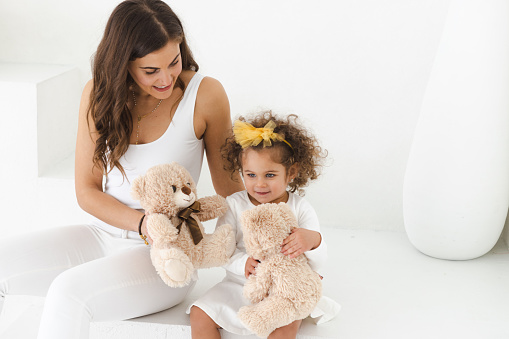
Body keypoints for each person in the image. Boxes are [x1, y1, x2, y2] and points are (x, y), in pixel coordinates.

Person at [0, 0, 243, 338]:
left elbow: (231, 190)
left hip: (166, 254)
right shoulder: (98, 94)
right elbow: (87, 191)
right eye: (150, 70)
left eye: (173, 62)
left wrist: (263, 250)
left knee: (67, 293)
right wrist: (143, 222)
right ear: (123, 64)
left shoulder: (205, 94)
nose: (166, 77)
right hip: (104, 234)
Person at [189, 111, 338, 339]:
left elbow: (318, 260)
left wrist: (313, 241)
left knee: (287, 322)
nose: (259, 184)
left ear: (291, 173)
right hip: (240, 284)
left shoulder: (300, 208)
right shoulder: (234, 205)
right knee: (200, 313)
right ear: (241, 172)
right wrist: (243, 264)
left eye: (269, 175)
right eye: (250, 174)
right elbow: (222, 250)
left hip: (283, 289)